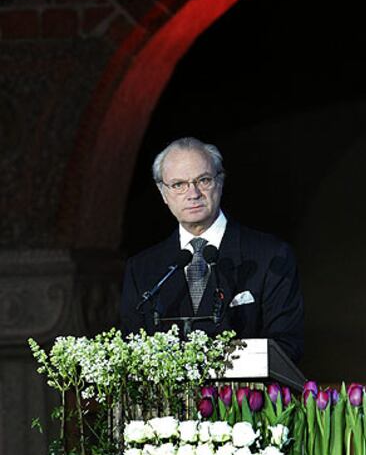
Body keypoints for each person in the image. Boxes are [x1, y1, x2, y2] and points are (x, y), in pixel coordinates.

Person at [120, 137, 304, 363]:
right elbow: (131, 350)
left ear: (220, 181)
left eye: (203, 180)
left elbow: (287, 346)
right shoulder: (141, 269)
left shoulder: (271, 255)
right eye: (179, 185)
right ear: (163, 193)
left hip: (242, 397)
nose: (193, 193)